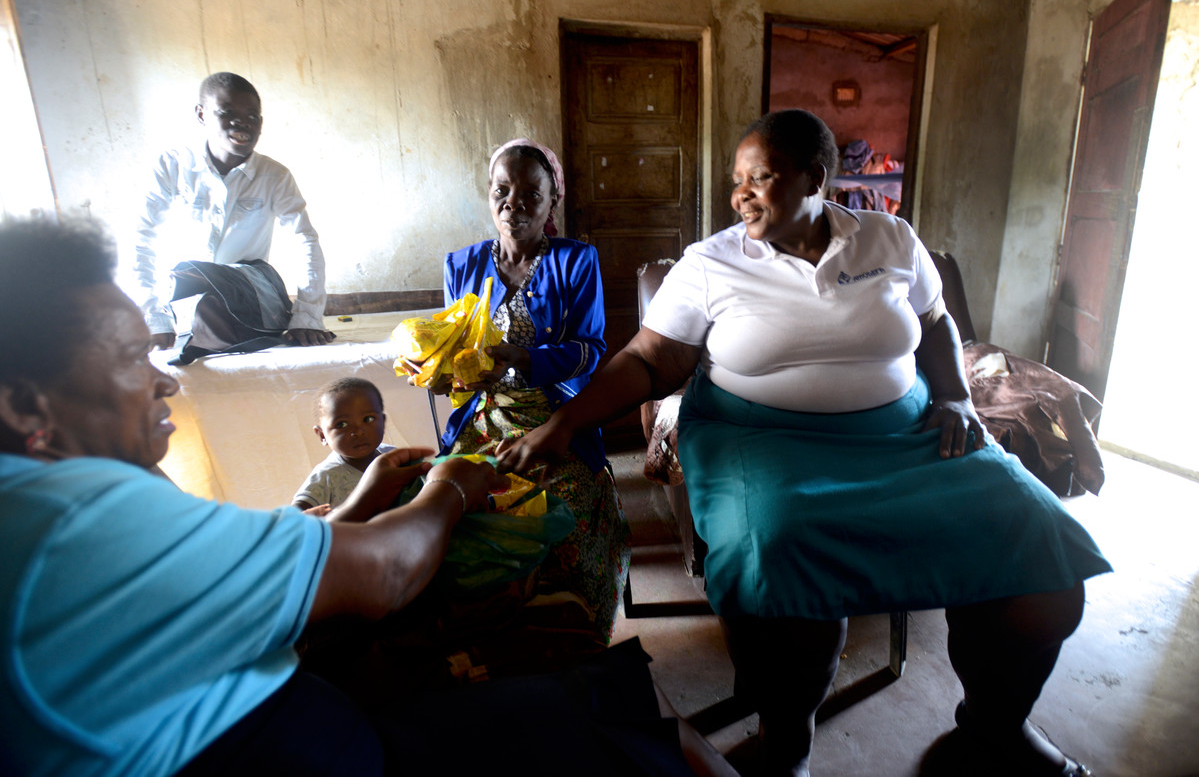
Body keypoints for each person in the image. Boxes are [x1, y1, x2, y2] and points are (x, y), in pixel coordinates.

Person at [0, 217, 737, 777]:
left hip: (297, 725)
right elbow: (386, 573)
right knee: (621, 705)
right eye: (133, 358)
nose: (163, 378)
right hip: (331, 751)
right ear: (27, 406)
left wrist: (355, 509)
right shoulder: (79, 522)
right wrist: (449, 483)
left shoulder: (41, 501)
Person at [498, 110, 1111, 777]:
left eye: (759, 178)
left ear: (816, 178)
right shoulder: (712, 263)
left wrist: (954, 395)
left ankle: (994, 727)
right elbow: (647, 360)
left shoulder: (889, 237)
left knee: (1043, 559)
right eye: (736, 182)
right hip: (760, 436)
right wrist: (564, 423)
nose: (739, 196)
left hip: (901, 434)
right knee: (780, 551)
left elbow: (933, 321)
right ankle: (787, 744)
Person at [436, 138, 631, 644]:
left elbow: (590, 350)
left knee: (564, 506)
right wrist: (448, 373)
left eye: (530, 194)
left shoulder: (575, 261)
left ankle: (569, 637)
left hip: (556, 414)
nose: (512, 204)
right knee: (453, 502)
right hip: (484, 418)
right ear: (488, 194)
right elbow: (455, 356)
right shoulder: (461, 266)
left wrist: (529, 359)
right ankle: (489, 640)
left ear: (551, 204)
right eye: (502, 190)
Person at [134, 71, 334, 351]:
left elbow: (305, 241)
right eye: (226, 113)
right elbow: (141, 240)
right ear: (202, 115)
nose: (242, 123)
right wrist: (154, 318)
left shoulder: (274, 176)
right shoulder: (172, 166)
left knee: (220, 295)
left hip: (245, 296)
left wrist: (308, 316)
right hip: (181, 296)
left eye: (252, 116)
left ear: (261, 123)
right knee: (189, 284)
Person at [294, 377, 395, 514]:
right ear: (322, 435)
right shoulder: (327, 476)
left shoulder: (394, 457)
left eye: (368, 419)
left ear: (383, 423)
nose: (358, 432)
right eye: (342, 424)